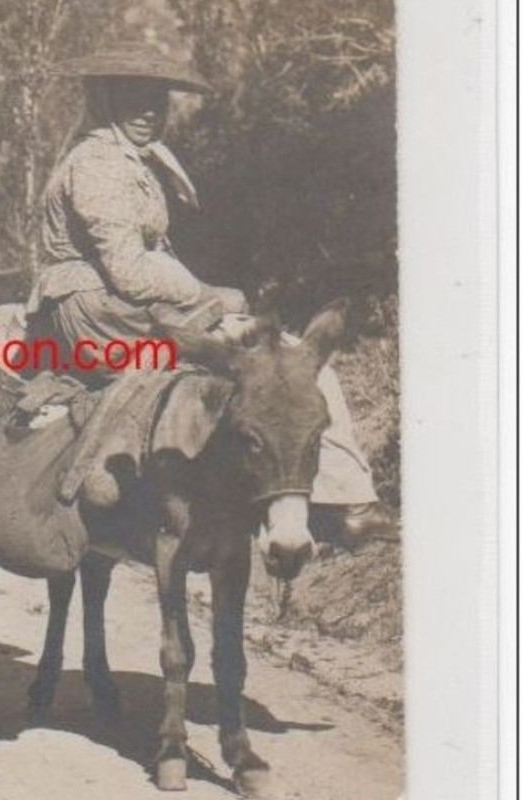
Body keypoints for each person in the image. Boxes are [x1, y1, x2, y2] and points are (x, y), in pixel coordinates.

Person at [27, 43, 394, 547]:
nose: (149, 111)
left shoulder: (126, 159)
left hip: (115, 306)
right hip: (100, 311)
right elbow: (131, 272)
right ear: (106, 98)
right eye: (135, 97)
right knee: (297, 362)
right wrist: (210, 295)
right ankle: (348, 498)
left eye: (158, 99)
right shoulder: (98, 166)